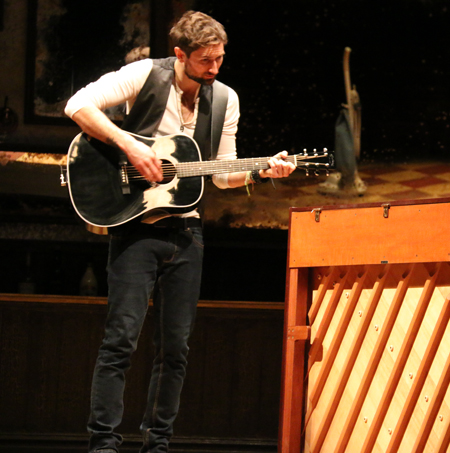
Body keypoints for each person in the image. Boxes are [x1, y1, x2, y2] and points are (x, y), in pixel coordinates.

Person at [64, 11, 295, 453]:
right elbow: (77, 106)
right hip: (136, 227)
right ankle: (104, 443)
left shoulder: (225, 99)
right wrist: (129, 143)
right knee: (121, 340)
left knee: (176, 349)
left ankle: (158, 443)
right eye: (206, 60)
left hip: (188, 234)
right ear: (180, 55)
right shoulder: (144, 75)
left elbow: (223, 173)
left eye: (220, 58)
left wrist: (262, 172)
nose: (214, 68)